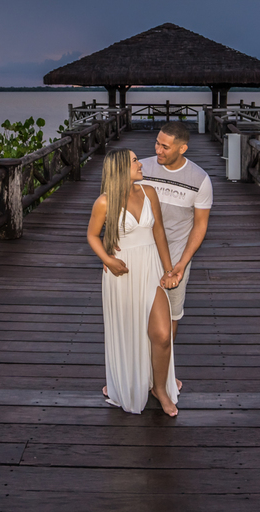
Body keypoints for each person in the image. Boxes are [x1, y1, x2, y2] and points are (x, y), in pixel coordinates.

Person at [86, 148, 180, 416]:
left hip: (151, 269)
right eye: (135, 161)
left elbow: (159, 231)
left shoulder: (149, 192)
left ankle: (159, 388)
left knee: (162, 335)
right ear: (119, 169)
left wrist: (169, 270)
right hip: (122, 274)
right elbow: (92, 235)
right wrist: (108, 258)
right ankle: (127, 381)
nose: (141, 164)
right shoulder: (104, 202)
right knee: (128, 332)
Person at [140, 121, 212, 346]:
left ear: (182, 148)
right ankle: (139, 370)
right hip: (140, 253)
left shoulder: (200, 179)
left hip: (175, 259)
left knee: (171, 314)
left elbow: (200, 225)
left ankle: (165, 373)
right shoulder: (140, 169)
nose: (158, 150)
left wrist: (183, 262)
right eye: (157, 143)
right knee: (137, 312)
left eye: (165, 147)